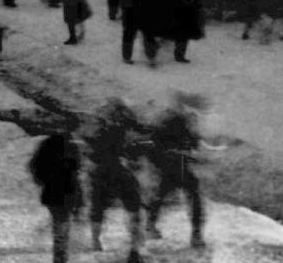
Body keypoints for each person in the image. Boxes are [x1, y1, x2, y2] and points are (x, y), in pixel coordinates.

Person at [86, 98, 146, 262]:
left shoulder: (99, 131)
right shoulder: (124, 131)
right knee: (133, 208)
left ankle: (96, 241)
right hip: (120, 173)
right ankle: (134, 245)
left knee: (98, 207)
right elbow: (136, 151)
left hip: (102, 174)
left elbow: (92, 155)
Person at [145, 93, 206, 249]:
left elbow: (192, 142)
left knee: (162, 196)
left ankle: (151, 226)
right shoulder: (173, 121)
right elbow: (157, 143)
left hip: (176, 166)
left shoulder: (177, 120)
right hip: (173, 166)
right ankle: (196, 235)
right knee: (190, 197)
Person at [28, 133, 84, 263]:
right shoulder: (71, 147)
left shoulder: (45, 145)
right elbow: (77, 167)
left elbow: (34, 166)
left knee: (59, 221)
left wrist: (41, 181)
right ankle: (61, 253)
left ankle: (59, 252)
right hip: (68, 190)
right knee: (63, 222)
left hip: (51, 191)